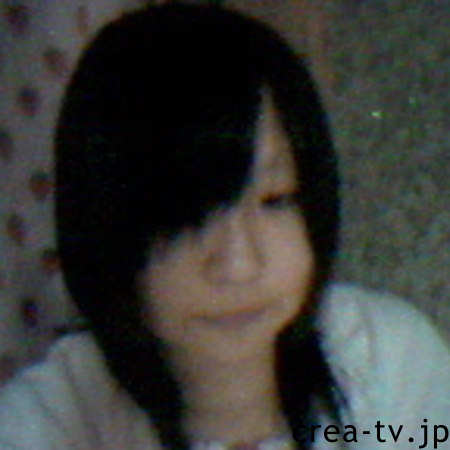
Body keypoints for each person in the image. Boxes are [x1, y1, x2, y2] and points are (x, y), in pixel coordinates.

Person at [1, 4, 450, 450]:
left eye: (276, 199)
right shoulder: (49, 424)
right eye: (186, 213)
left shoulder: (390, 362)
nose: (238, 265)